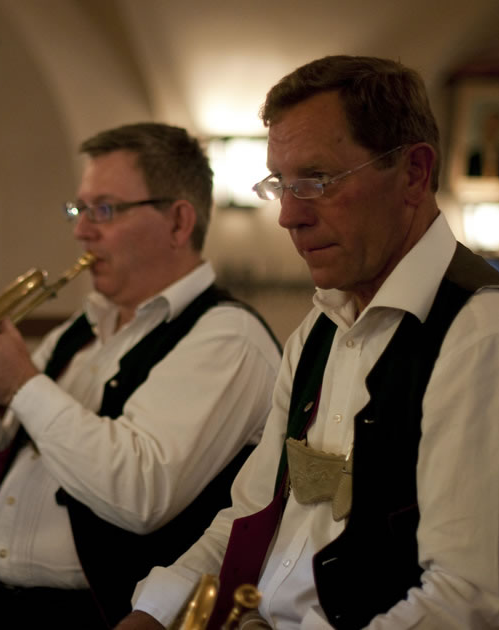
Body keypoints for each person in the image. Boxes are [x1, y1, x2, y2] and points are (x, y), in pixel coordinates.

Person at [118, 56, 499, 630]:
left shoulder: (478, 331)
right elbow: (251, 518)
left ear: (415, 173)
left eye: (317, 181)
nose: (289, 216)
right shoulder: (320, 331)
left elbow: (466, 599)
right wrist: (151, 612)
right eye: (280, 184)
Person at [0, 122, 282, 628]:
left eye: (106, 210)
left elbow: (141, 497)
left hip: (98, 615)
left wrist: (21, 385)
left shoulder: (227, 338)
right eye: (80, 210)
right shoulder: (76, 335)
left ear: (178, 222)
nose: (81, 230)